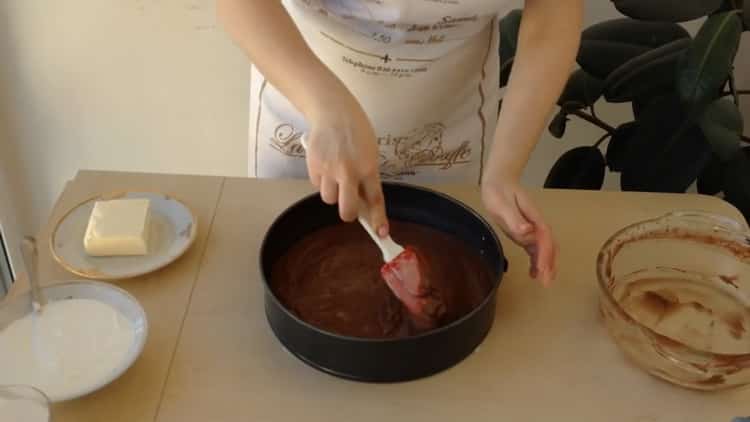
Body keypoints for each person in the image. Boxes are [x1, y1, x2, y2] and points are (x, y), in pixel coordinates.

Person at [217, 0, 583, 286]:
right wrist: (329, 108)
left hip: (448, 128)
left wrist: (504, 171)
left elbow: (554, 13)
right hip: (306, 107)